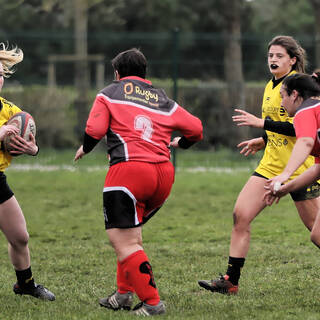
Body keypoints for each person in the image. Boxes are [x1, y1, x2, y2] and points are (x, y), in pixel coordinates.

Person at [74, 48, 203, 316]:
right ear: (144, 73)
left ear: (117, 73)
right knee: (131, 236)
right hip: (163, 175)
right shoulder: (163, 99)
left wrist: (85, 148)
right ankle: (123, 295)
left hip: (129, 173)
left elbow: (94, 130)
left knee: (125, 242)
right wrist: (183, 143)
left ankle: (152, 302)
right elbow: (196, 129)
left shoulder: (109, 93)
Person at [198, 35, 320, 295]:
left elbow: (302, 131)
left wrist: (262, 125)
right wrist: (263, 139)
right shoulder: (271, 86)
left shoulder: (298, 89)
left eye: (279, 56)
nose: (273, 60)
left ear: (293, 60)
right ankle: (231, 280)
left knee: (316, 232)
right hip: (270, 165)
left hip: (300, 169)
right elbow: (279, 125)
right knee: (240, 215)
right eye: (270, 56)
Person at [0, 43, 55, 300]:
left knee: (20, 237)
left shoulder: (10, 110)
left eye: (0, 75)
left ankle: (26, 285)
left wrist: (32, 149)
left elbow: (29, 139)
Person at [264, 73, 320, 250]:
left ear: (294, 95)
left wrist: (285, 174)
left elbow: (305, 142)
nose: (281, 103)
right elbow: (317, 169)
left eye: (282, 96)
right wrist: (286, 188)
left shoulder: (305, 111)